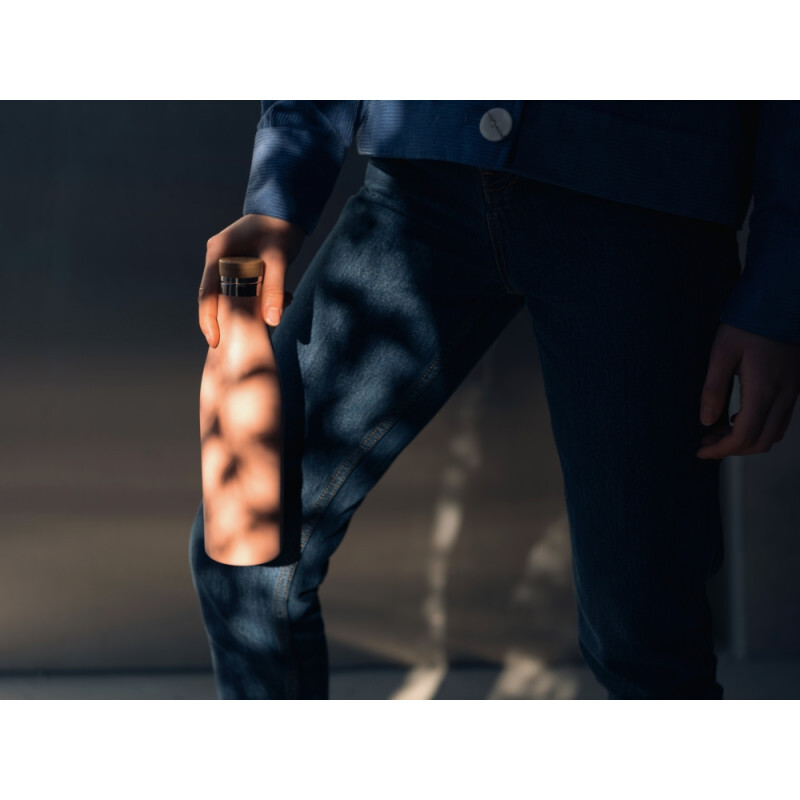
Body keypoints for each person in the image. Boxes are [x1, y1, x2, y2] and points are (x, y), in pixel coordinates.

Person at [192, 101, 800, 699]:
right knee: (243, 543)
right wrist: (279, 185)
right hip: (422, 175)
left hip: (641, 192)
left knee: (643, 634)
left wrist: (779, 290)